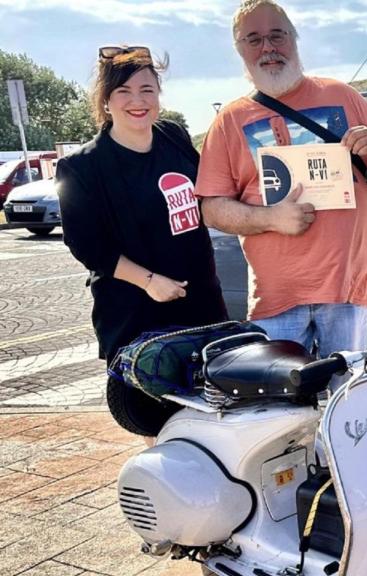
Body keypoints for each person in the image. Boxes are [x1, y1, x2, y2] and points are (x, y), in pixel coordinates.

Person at [195, 0, 367, 356]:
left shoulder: (342, 96)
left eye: (277, 35)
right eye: (254, 39)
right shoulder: (229, 120)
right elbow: (211, 209)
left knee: (347, 402)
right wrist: (269, 218)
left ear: (295, 39)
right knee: (281, 407)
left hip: (346, 291)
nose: (268, 48)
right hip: (276, 299)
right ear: (239, 49)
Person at [57, 46, 228, 440]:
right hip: (137, 311)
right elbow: (87, 246)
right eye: (125, 92)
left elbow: (209, 190)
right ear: (106, 100)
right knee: (158, 424)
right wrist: (149, 281)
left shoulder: (173, 137)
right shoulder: (83, 167)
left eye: (147, 90)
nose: (138, 101)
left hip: (202, 302)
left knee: (211, 416)